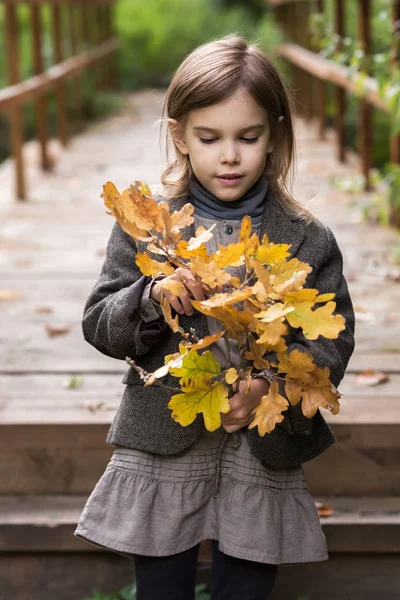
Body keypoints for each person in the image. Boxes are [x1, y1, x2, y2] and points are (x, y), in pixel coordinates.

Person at [74, 35, 355, 600]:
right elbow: (101, 323)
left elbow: (331, 345)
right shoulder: (150, 226)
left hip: (257, 452)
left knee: (246, 586)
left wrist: (268, 387)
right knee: (161, 587)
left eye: (247, 138)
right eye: (210, 138)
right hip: (166, 443)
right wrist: (151, 297)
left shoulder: (307, 238)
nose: (230, 155)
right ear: (180, 135)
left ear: (274, 134)